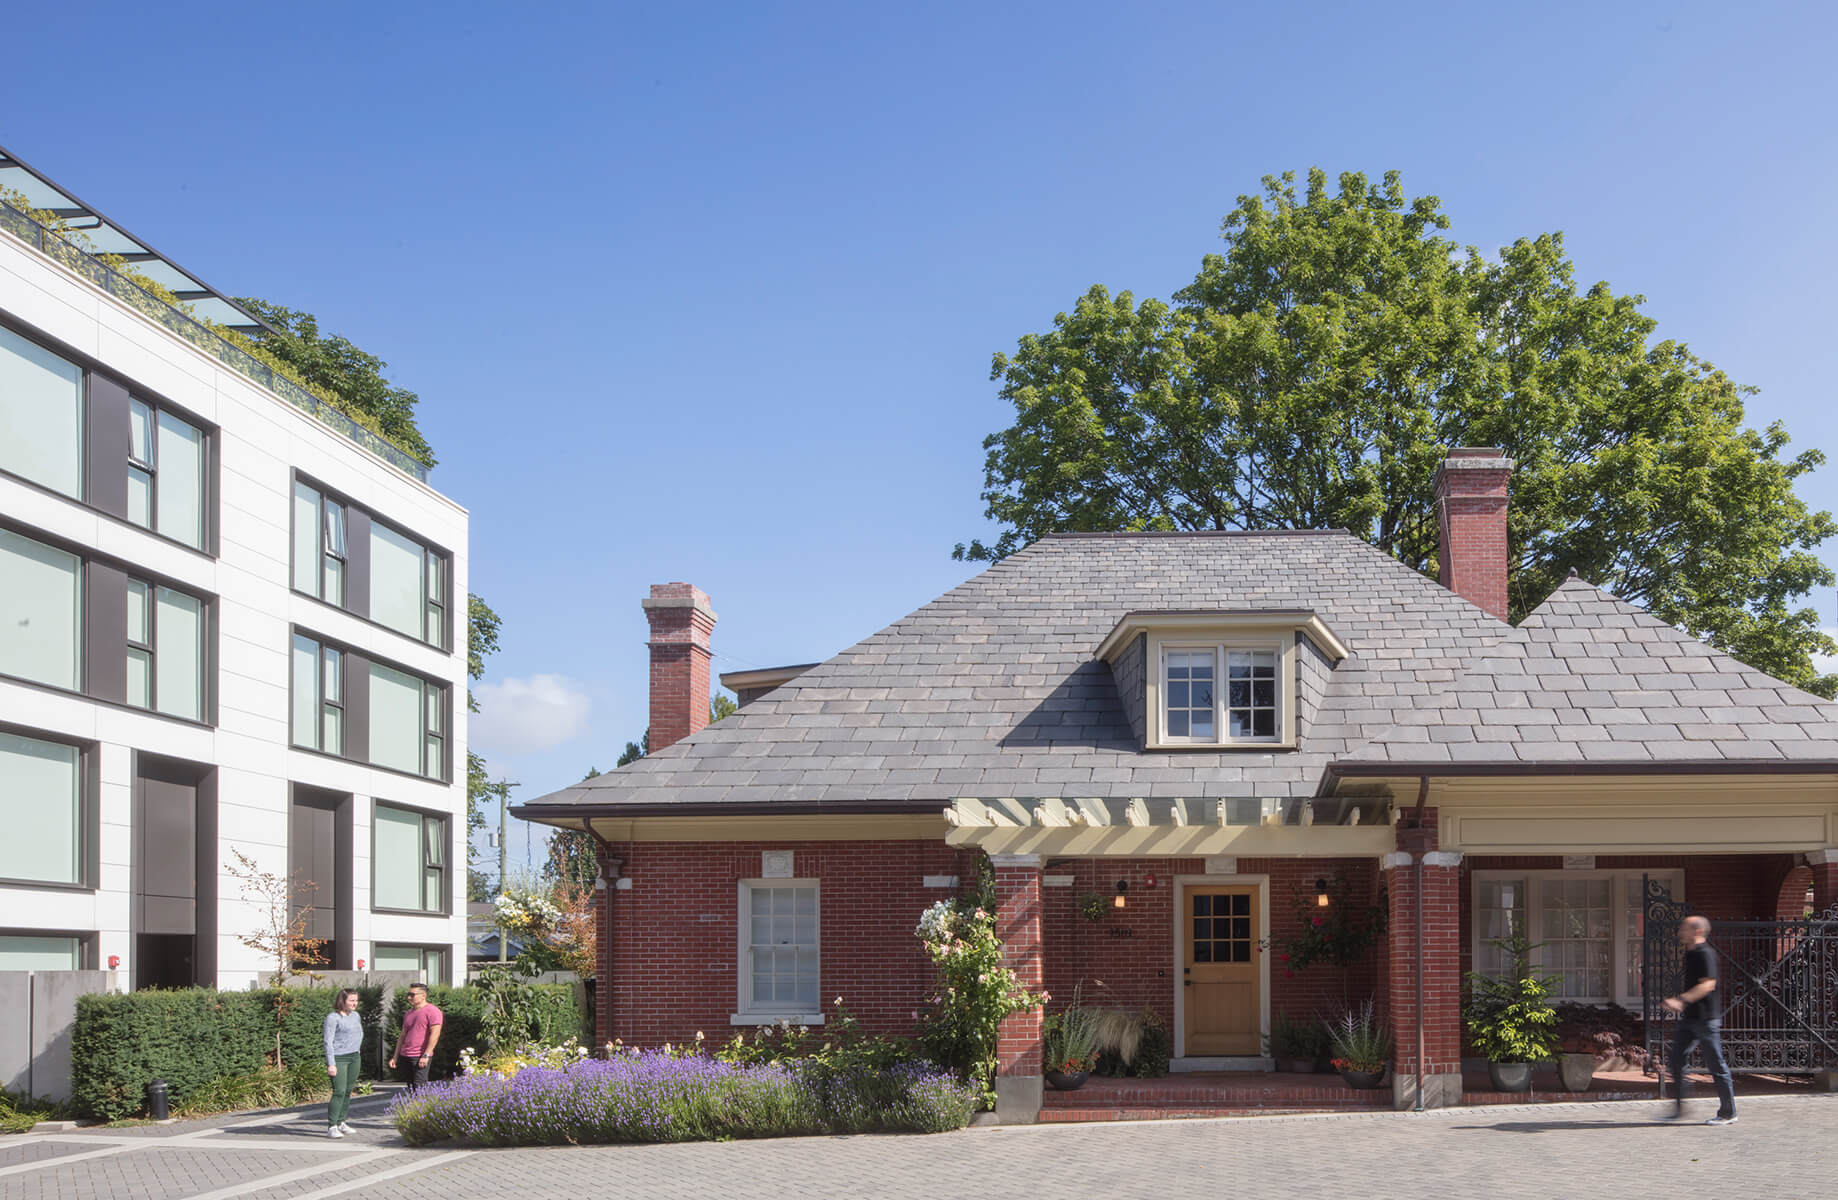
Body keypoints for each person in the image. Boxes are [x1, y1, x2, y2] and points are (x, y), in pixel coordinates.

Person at [1662, 915, 1736, 1125]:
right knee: (1676, 1061)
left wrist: (1680, 1000)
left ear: (1697, 932)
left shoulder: (1705, 954)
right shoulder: (1691, 954)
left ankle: (1728, 1113)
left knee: (1716, 1065)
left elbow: (1707, 985)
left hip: (1706, 1019)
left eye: (1684, 928)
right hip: (1690, 1018)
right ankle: (1678, 1110)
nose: (1680, 932)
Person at [322, 988, 363, 1139]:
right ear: (342, 1000)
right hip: (339, 1058)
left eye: (356, 1000)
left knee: (347, 1091)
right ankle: (331, 1126)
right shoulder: (333, 1018)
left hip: (354, 1057)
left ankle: (341, 1122)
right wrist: (331, 1063)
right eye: (351, 1000)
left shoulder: (356, 1016)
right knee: (339, 1091)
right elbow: (328, 1041)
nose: (355, 1003)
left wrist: (357, 1050)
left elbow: (358, 1034)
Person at [388, 983, 444, 1091]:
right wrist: (395, 1057)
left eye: (412, 995)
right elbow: (402, 1036)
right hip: (406, 1055)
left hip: (420, 1056)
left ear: (423, 995)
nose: (409, 997)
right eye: (408, 994)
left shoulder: (432, 1011)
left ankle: (421, 1108)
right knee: (411, 1087)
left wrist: (426, 1054)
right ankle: (413, 1107)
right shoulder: (408, 1013)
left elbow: (435, 1033)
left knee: (420, 1087)